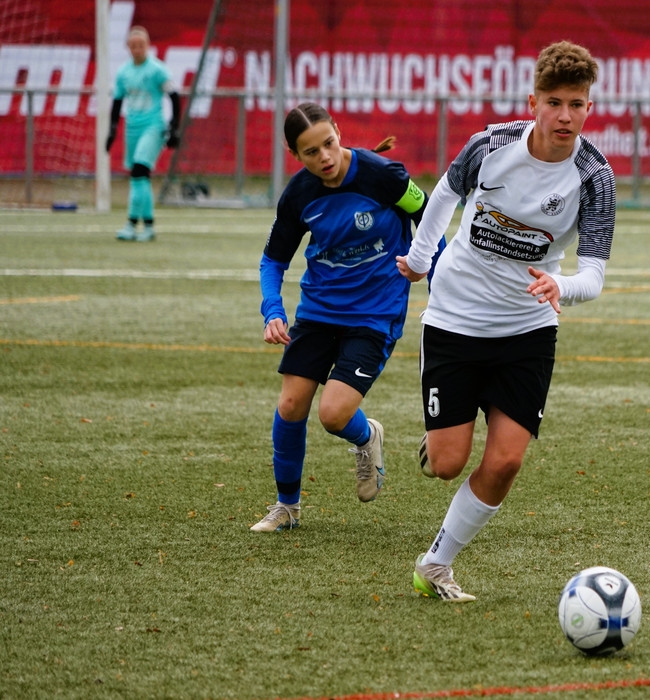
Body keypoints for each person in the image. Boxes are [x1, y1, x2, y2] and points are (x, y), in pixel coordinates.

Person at [395, 41, 616, 601]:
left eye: (578, 104)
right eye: (554, 102)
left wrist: (556, 284)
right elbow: (442, 197)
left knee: (507, 461)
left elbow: (591, 276)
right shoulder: (489, 146)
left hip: (527, 329)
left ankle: (436, 565)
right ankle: (440, 436)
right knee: (447, 464)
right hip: (456, 317)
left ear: (590, 107)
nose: (565, 116)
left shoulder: (594, 179)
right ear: (534, 102)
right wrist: (421, 262)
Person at [251, 102, 428, 533]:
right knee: (291, 405)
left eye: (329, 143)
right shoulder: (298, 196)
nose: (324, 158)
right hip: (319, 310)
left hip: (375, 312)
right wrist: (273, 309)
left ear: (338, 132)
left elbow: (429, 217)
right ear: (296, 155)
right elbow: (273, 261)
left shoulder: (383, 175)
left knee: (332, 415)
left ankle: (366, 436)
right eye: (311, 152)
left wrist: (432, 270)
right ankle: (287, 506)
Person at [105, 26, 181, 242]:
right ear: (128, 47)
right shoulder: (123, 73)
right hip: (133, 128)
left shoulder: (157, 70)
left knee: (139, 169)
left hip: (153, 126)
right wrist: (112, 130)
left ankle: (131, 223)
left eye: (141, 45)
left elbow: (174, 96)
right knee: (139, 177)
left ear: (147, 46)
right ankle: (147, 226)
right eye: (133, 45)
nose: (137, 49)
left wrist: (174, 127)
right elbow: (118, 102)